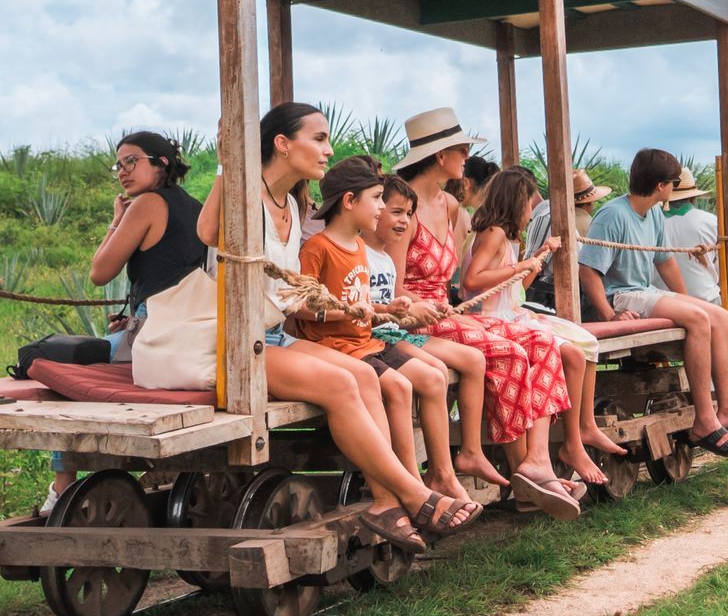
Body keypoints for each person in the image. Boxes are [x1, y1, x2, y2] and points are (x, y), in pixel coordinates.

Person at [198, 102, 480, 551]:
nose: (329, 150)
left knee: (365, 374)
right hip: (231, 341)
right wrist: (228, 162)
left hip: (271, 335)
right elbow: (208, 229)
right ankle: (412, 493)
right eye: (320, 139)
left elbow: (294, 294)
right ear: (282, 144)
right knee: (341, 385)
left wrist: (372, 309)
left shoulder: (289, 203)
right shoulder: (244, 191)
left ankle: (385, 500)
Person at [391, 107, 582, 520]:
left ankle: (538, 463)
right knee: (509, 354)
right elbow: (391, 286)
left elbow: (457, 281)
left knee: (544, 344)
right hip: (414, 319)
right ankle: (525, 475)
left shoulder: (449, 207)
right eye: (461, 150)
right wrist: (428, 307)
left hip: (449, 312)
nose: (467, 159)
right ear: (441, 157)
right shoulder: (400, 207)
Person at [299, 154, 469, 517]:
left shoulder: (360, 247)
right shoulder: (317, 249)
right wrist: (351, 312)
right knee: (402, 385)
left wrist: (387, 309)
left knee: (423, 380)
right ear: (348, 202)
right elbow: (301, 307)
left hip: (370, 340)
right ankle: (410, 481)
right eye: (377, 200)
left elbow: (362, 305)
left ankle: (426, 479)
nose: (382, 209)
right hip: (339, 346)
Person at [45, 132, 207, 512]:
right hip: (192, 323)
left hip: (155, 327)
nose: (122, 171)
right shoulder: (196, 207)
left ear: (161, 163)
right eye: (118, 164)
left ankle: (62, 488)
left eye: (132, 161)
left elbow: (100, 272)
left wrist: (117, 222)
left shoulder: (146, 205)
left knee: (61, 375)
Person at [579, 148, 728, 457]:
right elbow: (588, 271)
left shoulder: (653, 213)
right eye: (673, 181)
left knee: (717, 316)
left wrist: (689, 301)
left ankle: (727, 410)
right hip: (623, 294)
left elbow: (665, 263)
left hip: (644, 291)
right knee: (697, 319)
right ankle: (704, 421)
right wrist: (610, 314)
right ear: (660, 186)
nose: (673, 187)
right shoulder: (612, 215)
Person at [463, 166, 629, 485]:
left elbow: (515, 286)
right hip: (493, 319)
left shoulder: (507, 236)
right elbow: (473, 281)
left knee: (579, 352)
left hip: (510, 313)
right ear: (516, 202)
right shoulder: (494, 232)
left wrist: (537, 257)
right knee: (559, 347)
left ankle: (577, 436)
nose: (531, 211)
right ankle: (565, 442)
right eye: (528, 204)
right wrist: (522, 264)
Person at [364, 172, 506, 495]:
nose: (405, 222)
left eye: (408, 215)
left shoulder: (384, 257)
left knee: (450, 367)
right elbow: (379, 306)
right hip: (382, 337)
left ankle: (445, 468)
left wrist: (412, 313)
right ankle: (422, 477)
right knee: (438, 372)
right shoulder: (363, 254)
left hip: (396, 332)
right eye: (395, 212)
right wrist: (412, 311)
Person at [524, 168, 613, 315]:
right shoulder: (590, 222)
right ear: (589, 203)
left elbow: (533, 268)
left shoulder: (545, 217)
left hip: (558, 295)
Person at [652, 165, 721, 303]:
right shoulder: (712, 222)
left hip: (661, 302)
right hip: (706, 299)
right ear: (693, 197)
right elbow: (721, 269)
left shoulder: (650, 223)